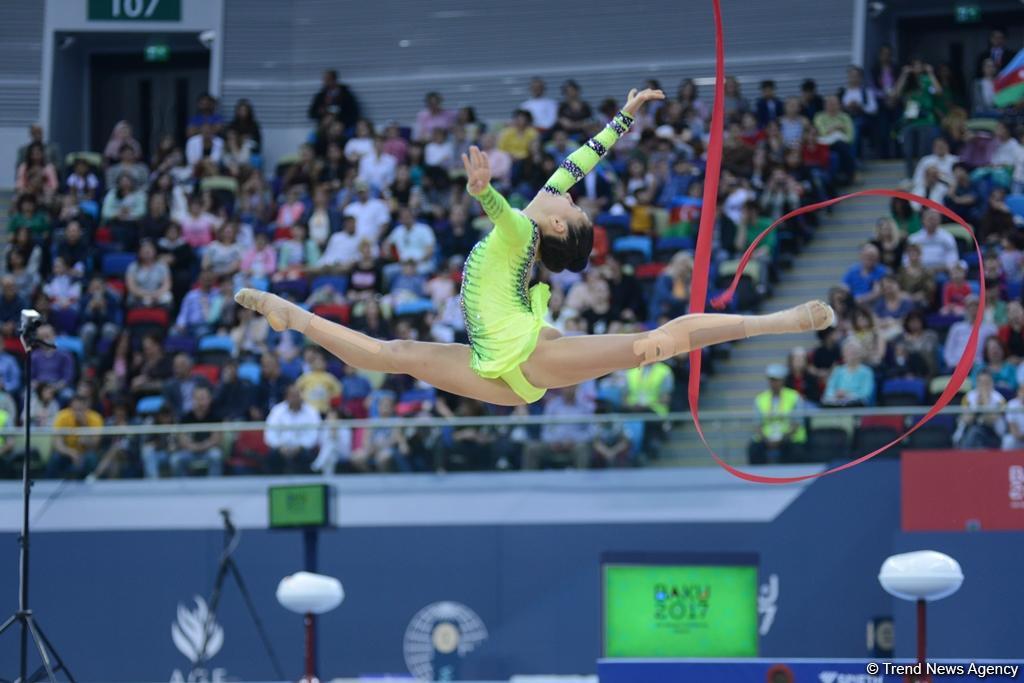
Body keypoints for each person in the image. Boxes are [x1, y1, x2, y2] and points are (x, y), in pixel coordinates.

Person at [235, 88, 835, 407]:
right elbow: (576, 162)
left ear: (556, 230)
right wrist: (622, 120)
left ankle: (777, 321)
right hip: (499, 367)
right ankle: (296, 317)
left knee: (657, 342)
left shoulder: (520, 228)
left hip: (522, 359)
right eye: (571, 201)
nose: (567, 195)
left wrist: (484, 191)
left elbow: (501, 211)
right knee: (392, 352)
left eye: (571, 207)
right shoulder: (535, 222)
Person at [748, 364, 806, 464]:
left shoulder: (794, 396)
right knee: (753, 449)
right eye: (771, 380)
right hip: (766, 439)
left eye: (776, 380)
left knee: (796, 451)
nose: (773, 383)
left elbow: (798, 422)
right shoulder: (760, 399)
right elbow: (757, 424)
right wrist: (767, 440)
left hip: (788, 438)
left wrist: (783, 438)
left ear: (783, 380)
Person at [264, 384, 321, 474]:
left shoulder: (311, 412)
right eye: (292, 395)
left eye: (297, 395)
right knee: (272, 457)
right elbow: (270, 433)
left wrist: (299, 447)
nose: (295, 398)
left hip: (303, 449)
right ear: (286, 397)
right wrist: (280, 447)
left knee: (307, 456)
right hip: (280, 448)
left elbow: (314, 435)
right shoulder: (277, 410)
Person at [171, 385, 223, 476]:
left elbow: (216, 439)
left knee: (216, 455)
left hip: (208, 450)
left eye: (203, 398)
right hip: (190, 451)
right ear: (193, 400)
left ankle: (214, 486)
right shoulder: (185, 418)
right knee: (176, 459)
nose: (201, 402)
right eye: (198, 399)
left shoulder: (216, 417)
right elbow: (182, 439)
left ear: (209, 400)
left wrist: (201, 446)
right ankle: (182, 488)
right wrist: (193, 447)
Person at [48, 394, 103, 479]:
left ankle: (90, 483)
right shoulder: (62, 416)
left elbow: (95, 445)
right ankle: (50, 484)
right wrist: (71, 452)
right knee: (56, 457)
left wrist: (84, 425)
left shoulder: (96, 418)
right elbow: (57, 443)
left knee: (91, 458)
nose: (77, 413)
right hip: (67, 452)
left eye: (81, 410)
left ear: (87, 408)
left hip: (86, 452)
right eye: (75, 410)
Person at [954, 369, 1005, 449]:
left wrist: (985, 402)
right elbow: (967, 420)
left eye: (986, 382)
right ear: (977, 383)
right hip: (970, 431)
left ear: (992, 383)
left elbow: (991, 421)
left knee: (976, 433)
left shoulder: (999, 399)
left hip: (993, 433)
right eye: (981, 382)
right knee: (974, 432)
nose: (983, 385)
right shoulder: (968, 397)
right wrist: (977, 404)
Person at [822, 338, 875, 407]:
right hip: (836, 403)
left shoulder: (867, 372)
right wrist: (836, 395)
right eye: (848, 351)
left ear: (859, 354)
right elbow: (829, 391)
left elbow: (865, 393)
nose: (850, 354)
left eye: (854, 352)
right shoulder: (838, 370)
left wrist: (847, 394)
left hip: (856, 404)